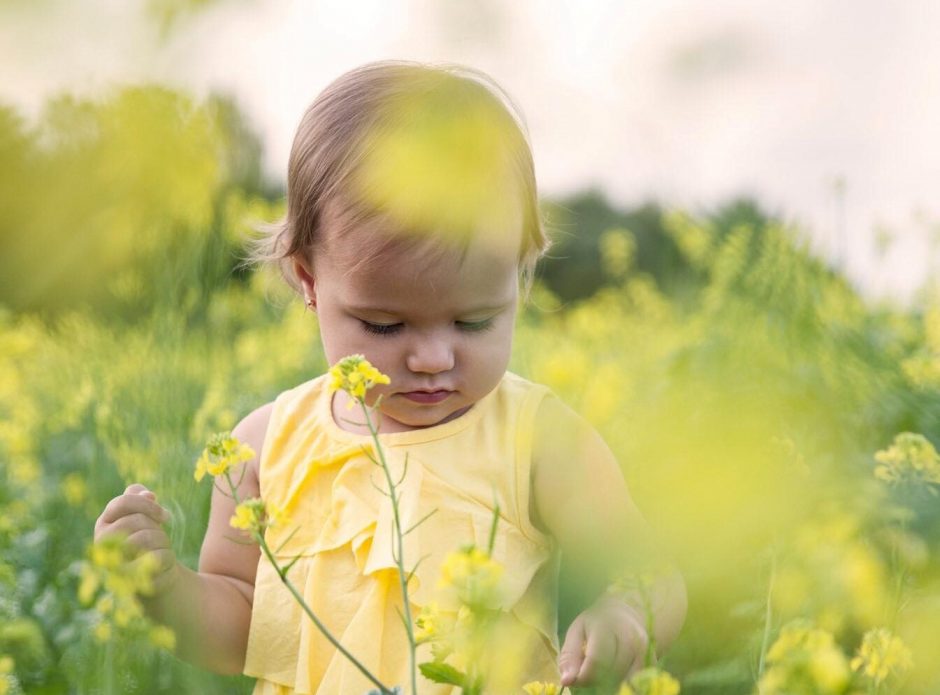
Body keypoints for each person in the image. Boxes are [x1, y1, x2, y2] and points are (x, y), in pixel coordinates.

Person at [94, 60, 686, 694]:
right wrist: (161, 589)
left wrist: (626, 614)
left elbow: (647, 572)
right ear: (308, 280)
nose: (432, 357)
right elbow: (241, 626)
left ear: (520, 271)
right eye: (384, 326)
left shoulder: (539, 440)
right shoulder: (262, 448)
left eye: (475, 321)